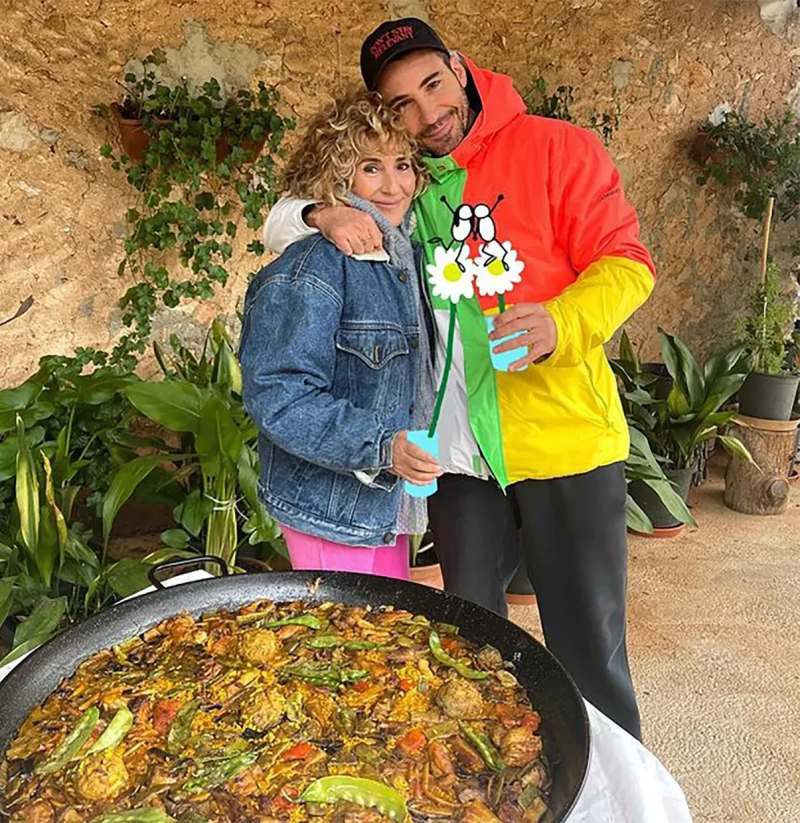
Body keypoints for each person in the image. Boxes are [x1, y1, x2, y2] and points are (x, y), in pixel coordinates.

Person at [262, 18, 655, 740]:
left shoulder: (559, 147)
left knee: (587, 649)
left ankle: (617, 798)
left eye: (434, 85)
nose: (429, 112)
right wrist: (317, 209)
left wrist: (560, 323)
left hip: (562, 440)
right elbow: (290, 221)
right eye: (402, 103)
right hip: (457, 458)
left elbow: (628, 261)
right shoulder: (409, 184)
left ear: (459, 66)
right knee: (471, 635)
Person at [240, 90, 440, 581]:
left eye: (403, 165)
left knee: (382, 633)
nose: (393, 185)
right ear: (335, 176)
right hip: (330, 508)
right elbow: (278, 396)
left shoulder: (403, 259)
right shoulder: (312, 268)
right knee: (348, 643)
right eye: (370, 168)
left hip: (382, 504)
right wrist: (382, 446)